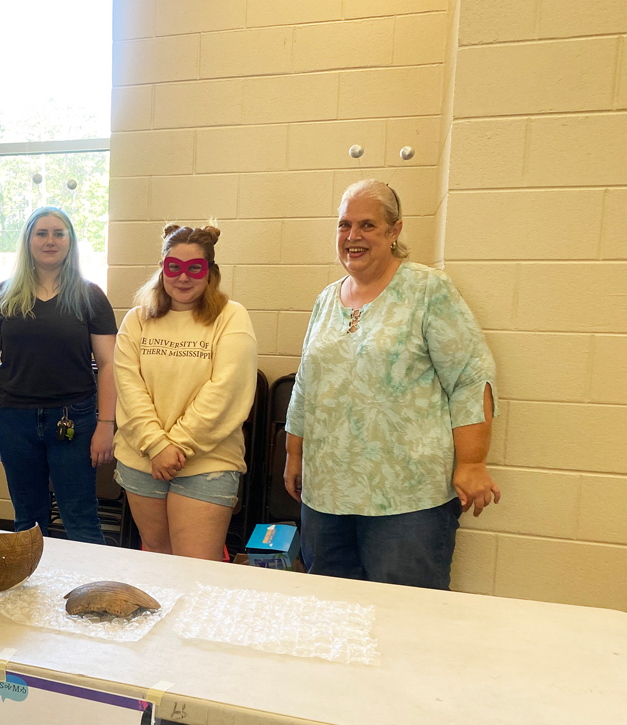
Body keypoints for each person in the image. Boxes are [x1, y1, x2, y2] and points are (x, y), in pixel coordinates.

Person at [283, 179, 500, 588]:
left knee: (407, 622)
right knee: (332, 619)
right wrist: (296, 456)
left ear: (394, 230)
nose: (353, 237)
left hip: (409, 502)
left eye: (367, 225)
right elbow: (306, 385)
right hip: (327, 495)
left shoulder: (427, 290)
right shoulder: (327, 299)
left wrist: (472, 461)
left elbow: (472, 375)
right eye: (344, 225)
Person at [0, 206, 117, 544]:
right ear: (29, 241)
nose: (50, 240)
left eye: (58, 233)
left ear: (70, 242)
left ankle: (92, 594)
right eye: (42, 233)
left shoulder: (89, 295)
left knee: (80, 517)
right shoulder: (4, 294)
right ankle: (31, 595)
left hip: (74, 421)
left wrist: (105, 425)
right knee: (27, 519)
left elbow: (109, 365)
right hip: (14, 421)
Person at [113, 223, 257, 560]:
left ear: (210, 272)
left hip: (206, 463)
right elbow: (129, 389)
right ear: (162, 270)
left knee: (196, 572)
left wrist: (176, 446)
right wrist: (157, 445)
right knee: (159, 565)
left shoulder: (231, 317)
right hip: (143, 459)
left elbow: (226, 391)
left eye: (195, 268)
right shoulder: (136, 320)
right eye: (173, 267)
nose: (183, 277)